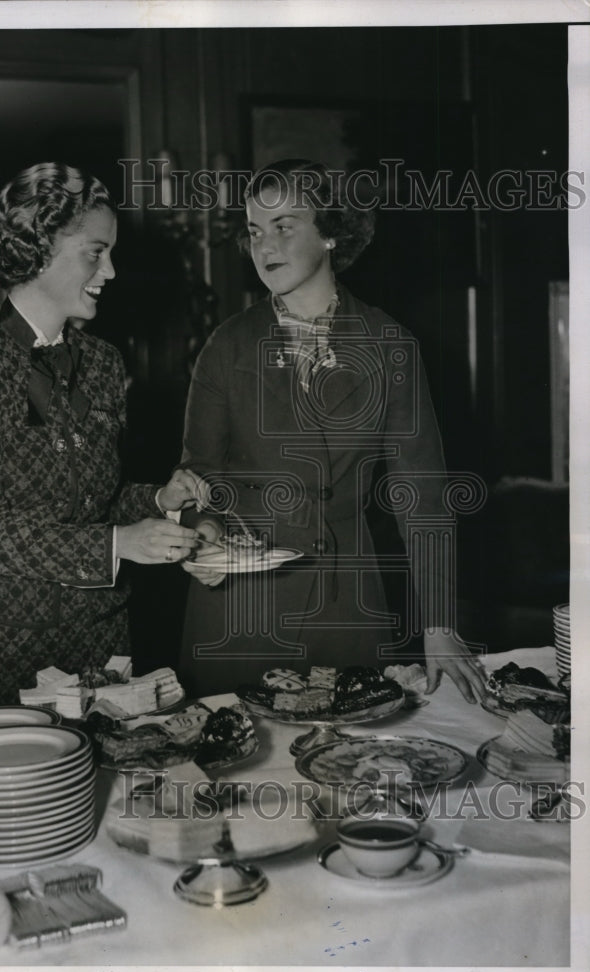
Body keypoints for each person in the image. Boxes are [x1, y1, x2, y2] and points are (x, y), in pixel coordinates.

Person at [178, 159, 486, 704]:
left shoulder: (390, 343)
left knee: (355, 770)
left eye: (284, 225)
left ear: (331, 235)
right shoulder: (226, 346)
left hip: (347, 603)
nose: (264, 246)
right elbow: (198, 474)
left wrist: (438, 623)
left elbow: (424, 494)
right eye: (254, 230)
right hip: (240, 606)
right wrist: (202, 534)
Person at [0, 162, 204, 716]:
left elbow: (97, 497)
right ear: (39, 249)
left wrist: (157, 501)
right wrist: (117, 545)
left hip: (98, 636)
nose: (111, 270)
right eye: (95, 252)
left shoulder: (102, 363)